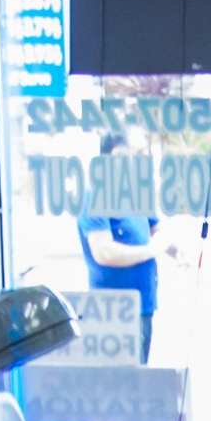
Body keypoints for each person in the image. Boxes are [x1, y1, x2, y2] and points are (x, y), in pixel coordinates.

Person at [79, 129, 161, 361]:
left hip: (144, 305)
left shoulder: (137, 196)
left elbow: (156, 229)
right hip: (113, 312)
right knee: (120, 384)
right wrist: (153, 250)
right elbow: (104, 253)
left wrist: (175, 249)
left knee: (140, 378)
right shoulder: (95, 198)